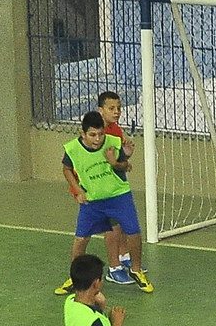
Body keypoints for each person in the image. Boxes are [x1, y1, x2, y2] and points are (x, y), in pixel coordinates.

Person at [54, 109, 154, 296]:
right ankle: (74, 278)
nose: (98, 139)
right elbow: (67, 169)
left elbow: (126, 166)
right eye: (92, 135)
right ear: (83, 133)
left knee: (134, 232)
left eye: (100, 134)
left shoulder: (113, 143)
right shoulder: (72, 149)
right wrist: (77, 189)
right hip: (92, 202)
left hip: (119, 196)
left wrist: (114, 162)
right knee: (81, 239)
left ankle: (136, 270)